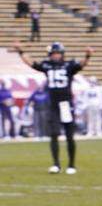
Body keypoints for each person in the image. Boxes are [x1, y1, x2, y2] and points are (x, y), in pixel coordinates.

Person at [13, 41, 92, 173]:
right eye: (53, 54)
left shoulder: (69, 65)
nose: (55, 56)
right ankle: (56, 164)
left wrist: (88, 56)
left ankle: (71, 165)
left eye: (58, 53)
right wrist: (21, 51)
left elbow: (81, 64)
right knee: (54, 134)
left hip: (66, 104)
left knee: (69, 135)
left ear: (62, 54)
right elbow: (31, 63)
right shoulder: (47, 65)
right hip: (53, 105)